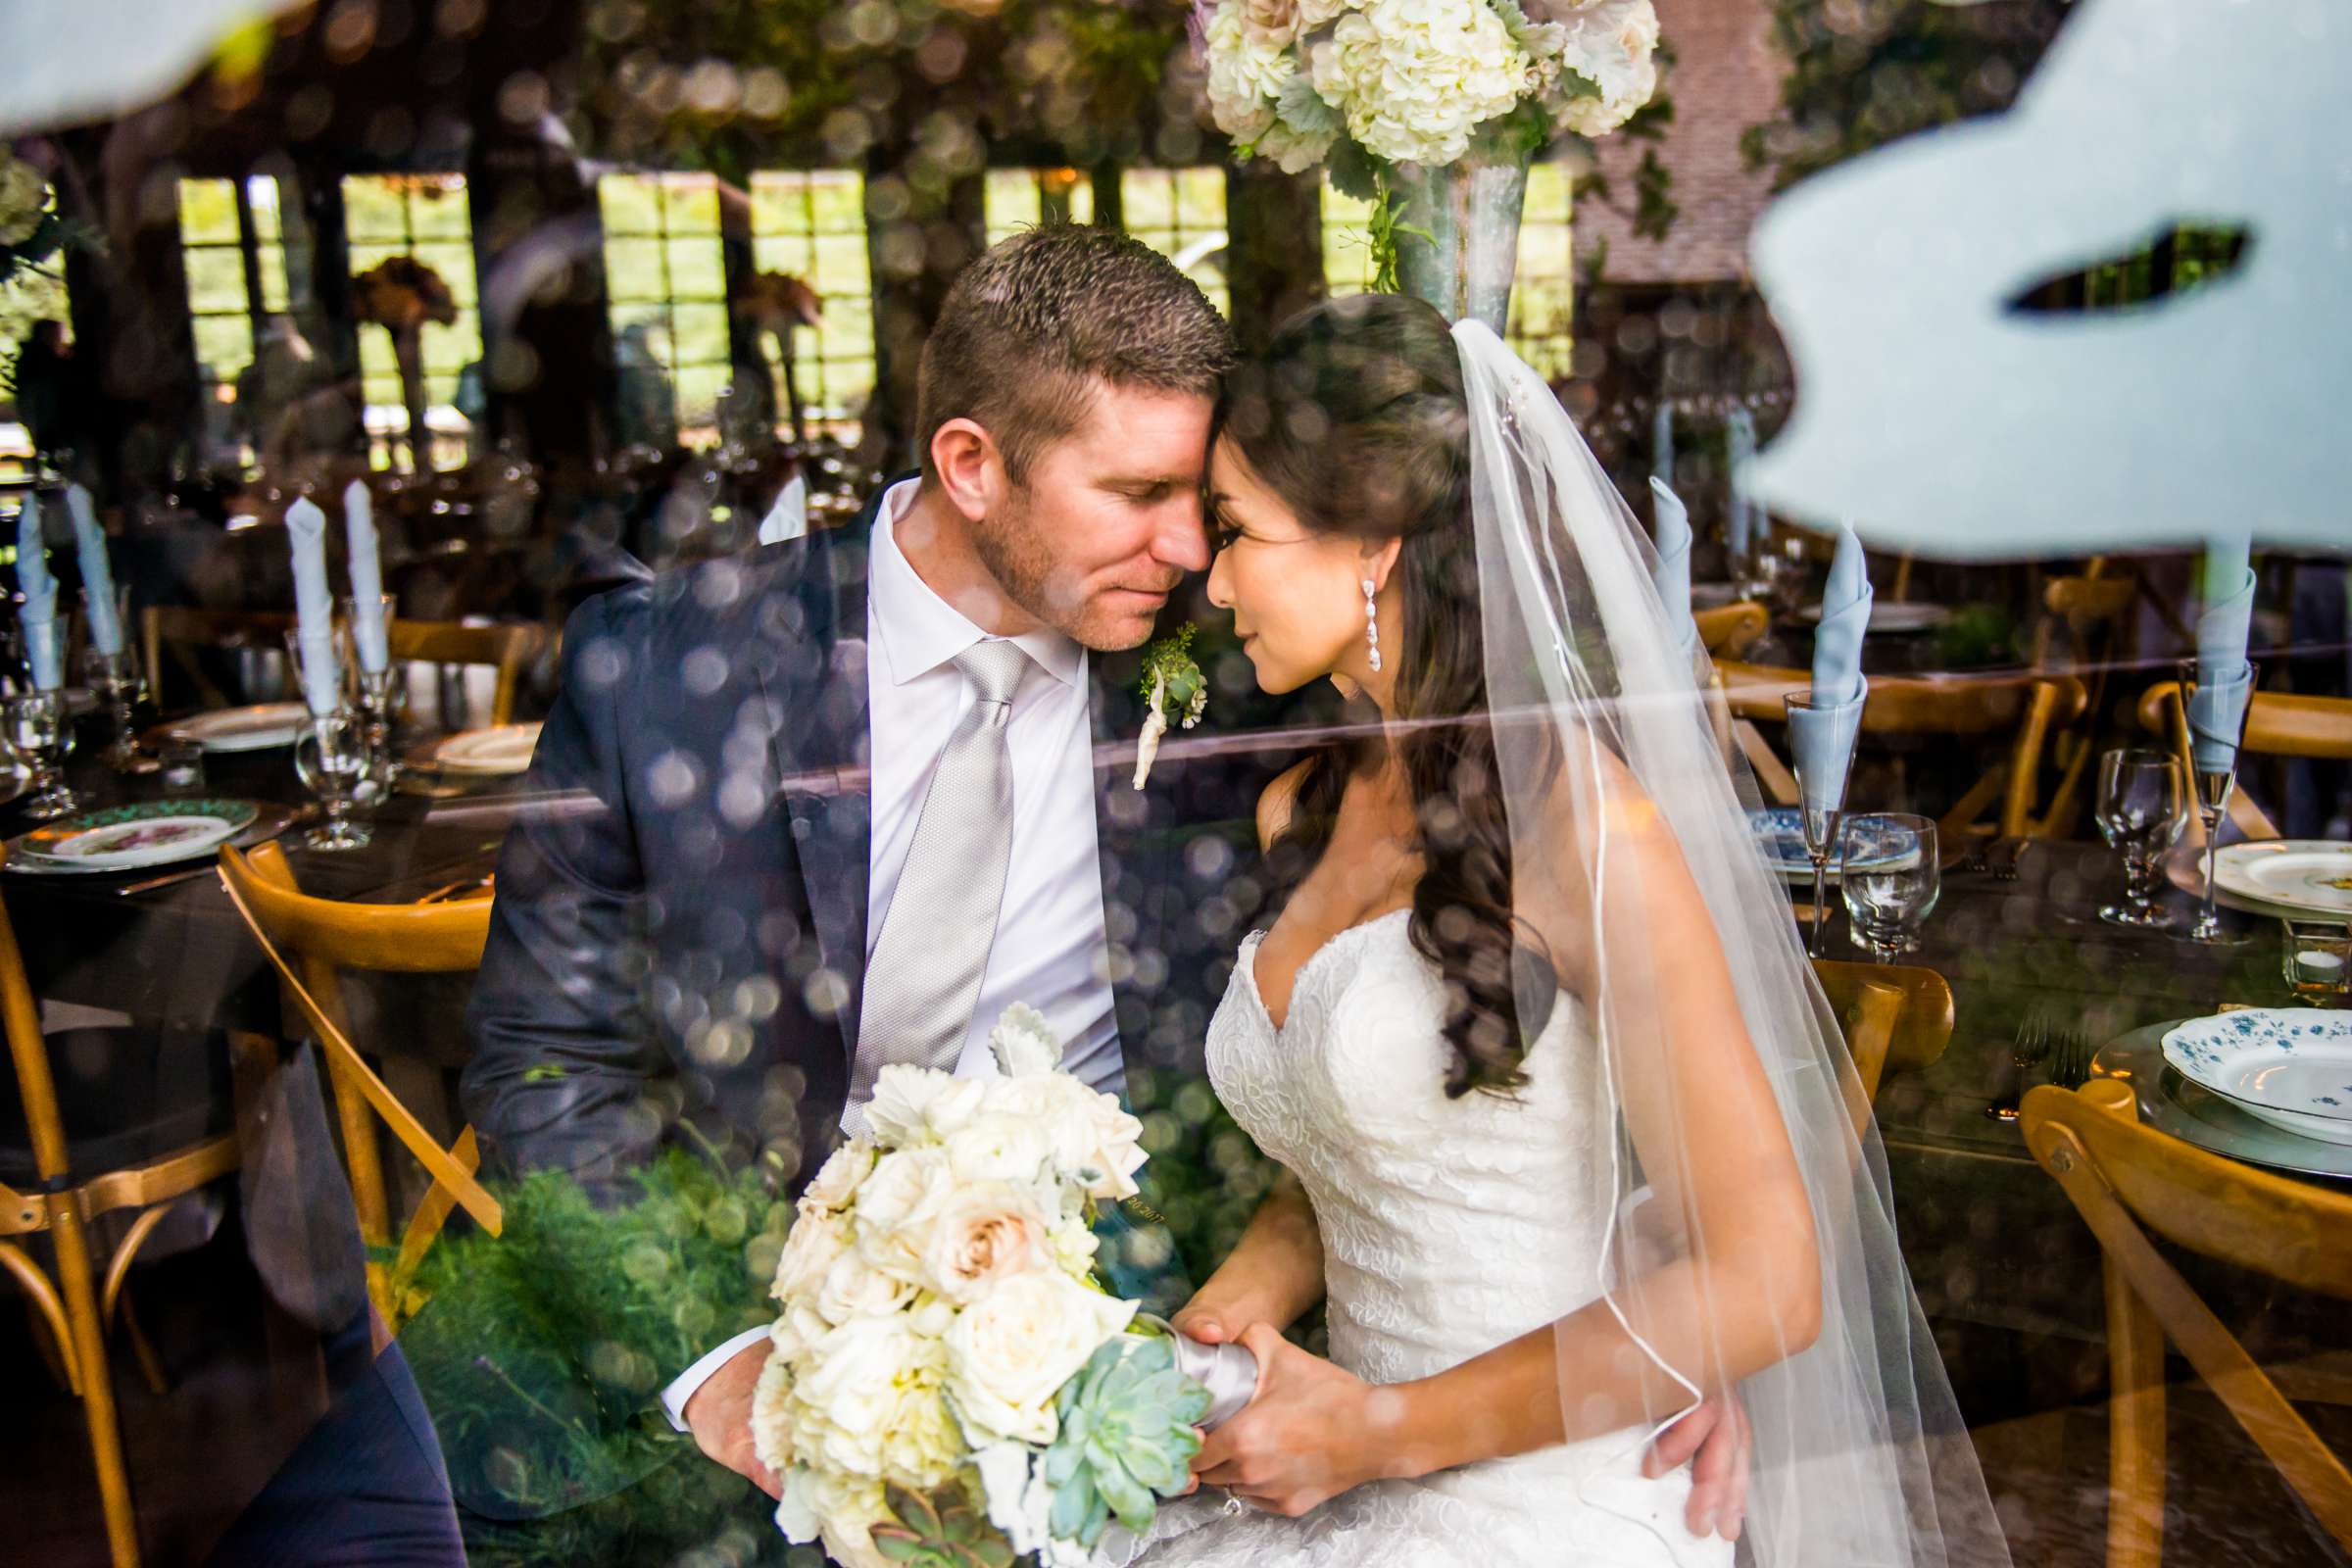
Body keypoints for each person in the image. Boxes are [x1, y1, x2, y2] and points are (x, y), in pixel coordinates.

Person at [462, 228, 1753, 1553]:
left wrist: (1655, 1340)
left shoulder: (1252, 670)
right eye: (1138, 492)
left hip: (1153, 1363)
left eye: (1210, 501)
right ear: (971, 465)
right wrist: (716, 1361)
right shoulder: (673, 674)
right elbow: (545, 1067)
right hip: (766, 1325)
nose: (1194, 548)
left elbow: (1541, 958)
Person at [1132, 295, 2010, 1567]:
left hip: (1540, 1501)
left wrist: (1379, 1433)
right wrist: (1217, 1331)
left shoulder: (1592, 838)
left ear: (1374, 546)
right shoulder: (1298, 811)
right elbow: (1371, 1139)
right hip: (1335, 1468)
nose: (1211, 581)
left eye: (1238, 533)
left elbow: (1768, 1280)